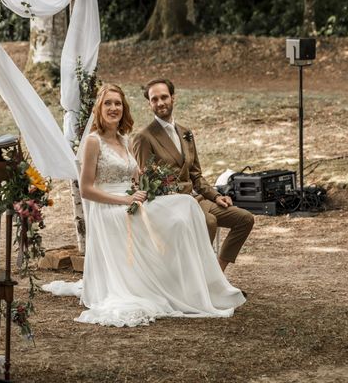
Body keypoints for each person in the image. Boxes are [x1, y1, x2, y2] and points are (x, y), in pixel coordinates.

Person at [43, 84, 245, 327]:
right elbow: (86, 190)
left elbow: (136, 176)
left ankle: (187, 280)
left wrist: (151, 182)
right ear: (99, 108)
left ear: (124, 108)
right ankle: (173, 283)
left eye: (118, 103)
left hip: (133, 200)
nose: (113, 108)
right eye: (108, 103)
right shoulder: (93, 142)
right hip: (108, 209)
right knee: (176, 217)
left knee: (184, 207)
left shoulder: (125, 141)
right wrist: (125, 200)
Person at [132, 78, 254, 272]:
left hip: (197, 199)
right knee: (209, 221)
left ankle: (216, 275)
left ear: (173, 98)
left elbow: (196, 175)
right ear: (149, 103)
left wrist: (216, 196)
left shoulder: (186, 132)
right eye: (154, 99)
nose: (160, 102)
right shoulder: (144, 138)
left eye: (164, 97)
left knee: (244, 219)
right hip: (170, 204)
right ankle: (195, 278)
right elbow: (146, 183)